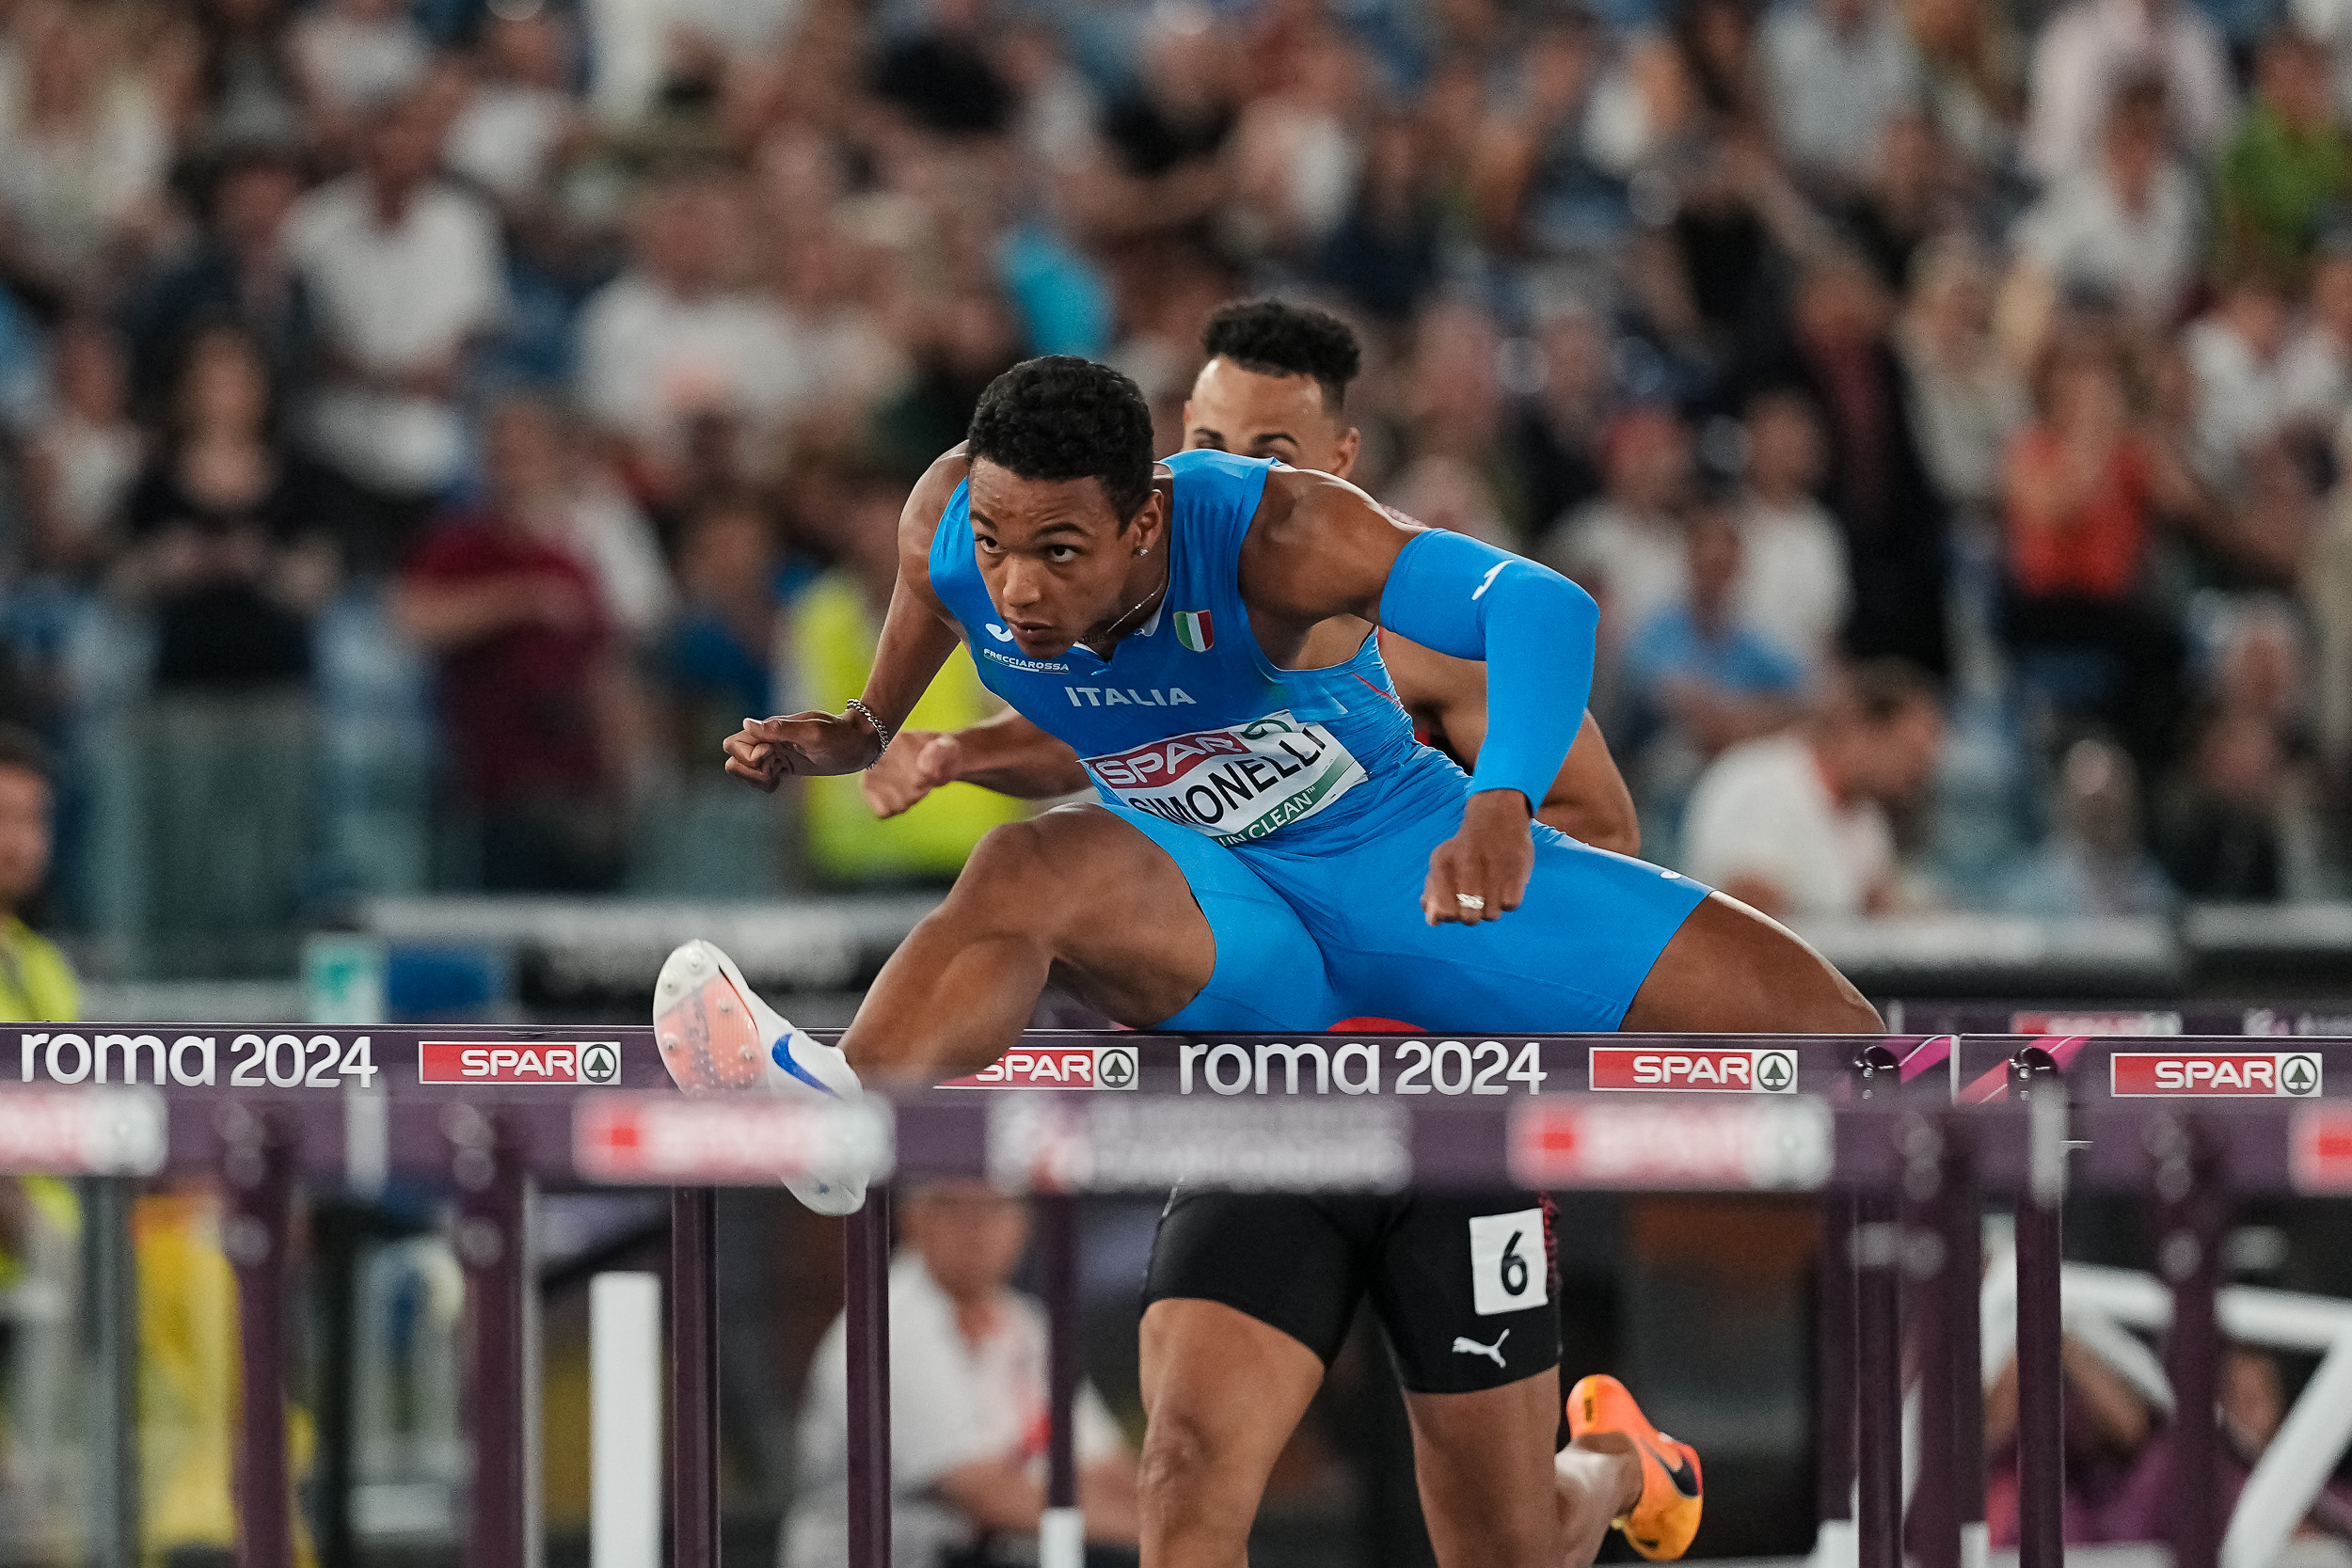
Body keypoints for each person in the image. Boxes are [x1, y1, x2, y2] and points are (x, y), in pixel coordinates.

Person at [654, 352, 1884, 1568]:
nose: (1018, 586)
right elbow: (961, 609)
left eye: (1060, 551)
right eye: (998, 543)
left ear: (1147, 519)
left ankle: (1617, 1463)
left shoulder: (1283, 536)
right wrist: (869, 721)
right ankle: (844, 1113)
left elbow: (1545, 611)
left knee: (1841, 1040)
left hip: (1420, 916)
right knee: (1026, 872)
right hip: (1242, 946)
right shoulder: (955, 525)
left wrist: (1500, 798)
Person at [864, 299, 1640, 854]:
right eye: (1208, 442)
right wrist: (962, 755)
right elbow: (1128, 740)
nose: (1232, 473)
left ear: (1340, 460)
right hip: (1215, 948)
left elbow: (1599, 824)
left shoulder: (1434, 637)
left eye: (1268, 452)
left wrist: (1400, 907)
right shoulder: (1145, 604)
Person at [783, 1181, 1138, 1567]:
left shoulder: (1028, 1325)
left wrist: (1172, 1525)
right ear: (912, 1218)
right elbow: (988, 1496)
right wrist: (1152, 1533)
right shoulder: (887, 1326)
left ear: (1024, 1222)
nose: (978, 1228)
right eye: (953, 1206)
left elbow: (1104, 1465)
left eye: (997, 1207)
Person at [1680, 659, 1943, 917]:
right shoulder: (1757, 783)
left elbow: (1882, 908)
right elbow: (1750, 916)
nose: (1917, 773)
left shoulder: (1865, 815)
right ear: (1862, 731)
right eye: (1910, 754)